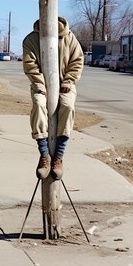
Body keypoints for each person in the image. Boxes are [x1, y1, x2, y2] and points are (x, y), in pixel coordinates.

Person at [22, 16, 84, 180]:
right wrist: (41, 87)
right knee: (38, 103)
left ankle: (59, 156)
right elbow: (30, 66)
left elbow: (77, 61)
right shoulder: (31, 39)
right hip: (40, 84)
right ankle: (44, 155)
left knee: (67, 105)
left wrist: (68, 81)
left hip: (66, 84)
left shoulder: (70, 38)